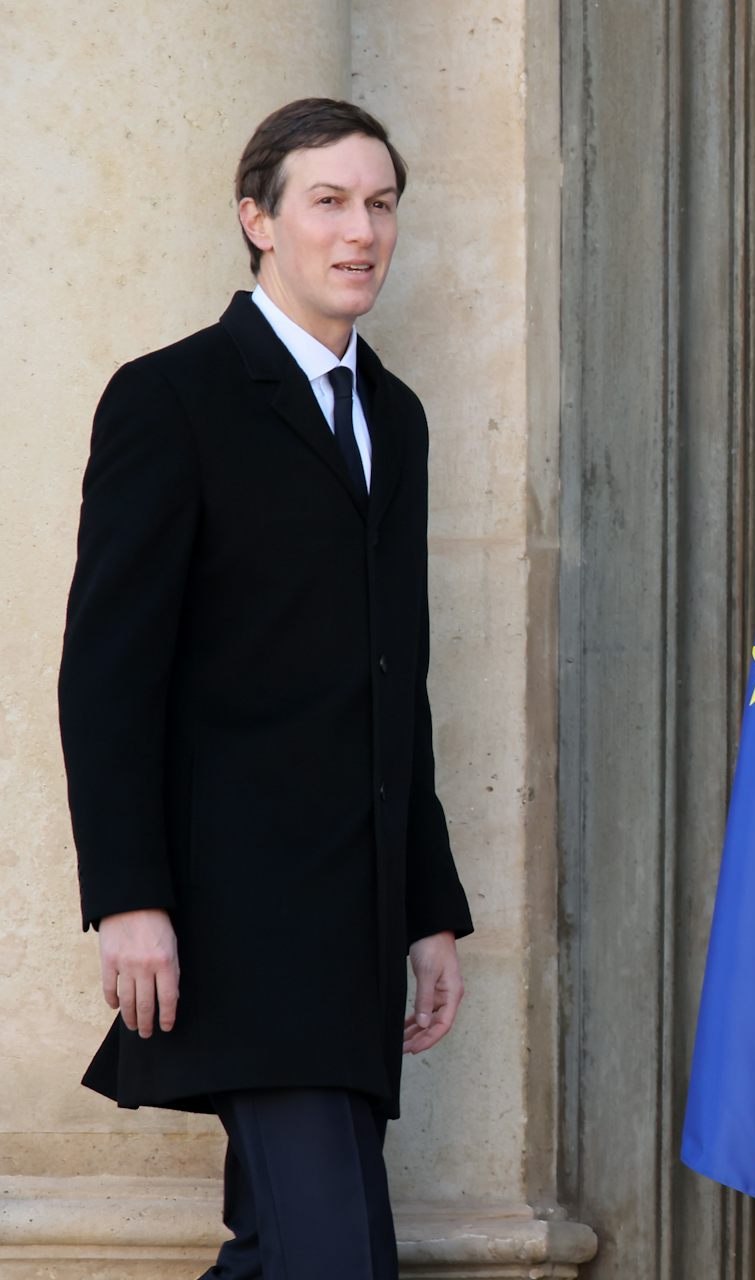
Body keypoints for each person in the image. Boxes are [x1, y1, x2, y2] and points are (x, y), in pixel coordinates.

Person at [58, 98, 473, 1280]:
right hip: (237, 919)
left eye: (380, 204)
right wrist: (128, 895)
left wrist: (427, 907)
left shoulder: (396, 415)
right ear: (259, 219)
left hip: (354, 931)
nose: (361, 231)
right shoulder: (171, 397)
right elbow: (107, 672)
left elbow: (396, 680)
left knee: (284, 1255)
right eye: (328, 202)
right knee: (335, 1258)